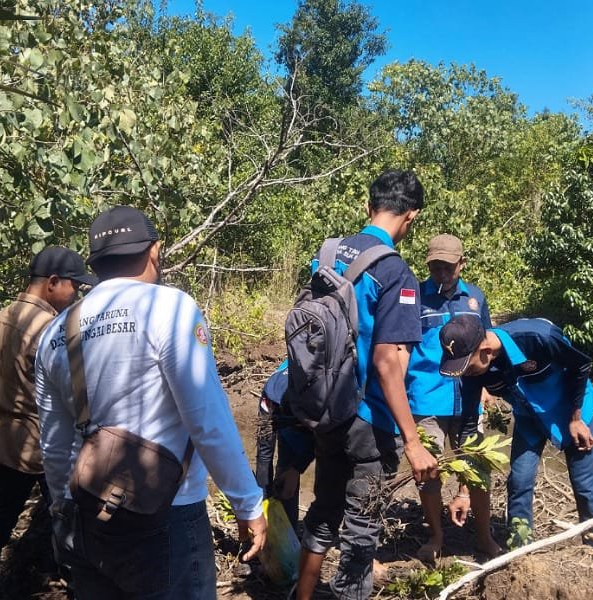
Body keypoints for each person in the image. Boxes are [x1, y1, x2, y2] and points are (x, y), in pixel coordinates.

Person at [35, 206, 266, 599]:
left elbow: (54, 447)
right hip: (163, 520)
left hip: (83, 517)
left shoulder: (56, 332)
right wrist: (247, 503)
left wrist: (66, 509)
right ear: (155, 251)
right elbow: (207, 421)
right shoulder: (170, 308)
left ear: (95, 263)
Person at [293, 170, 439, 600]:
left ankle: (301, 595)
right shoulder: (395, 273)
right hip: (366, 419)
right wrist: (412, 441)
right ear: (411, 217)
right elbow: (387, 361)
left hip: (323, 407)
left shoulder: (327, 254)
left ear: (367, 206)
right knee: (362, 524)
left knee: (323, 508)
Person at [0, 246, 97, 600]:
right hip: (42, 439)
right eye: (75, 286)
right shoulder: (52, 328)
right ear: (53, 283)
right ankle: (79, 587)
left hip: (3, 438)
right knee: (72, 519)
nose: (76, 295)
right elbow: (72, 392)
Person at [438, 314, 593, 544]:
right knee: (519, 479)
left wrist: (576, 418)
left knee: (585, 483)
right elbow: (469, 425)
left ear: (486, 351)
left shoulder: (538, 337)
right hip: (529, 415)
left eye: (467, 367)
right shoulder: (472, 372)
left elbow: (581, 364)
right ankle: (519, 546)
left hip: (571, 408)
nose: (465, 374)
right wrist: (465, 489)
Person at [405, 234, 501, 562]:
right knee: (427, 473)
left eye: (448, 266)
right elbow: (401, 348)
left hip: (469, 395)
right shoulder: (413, 297)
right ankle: (436, 536)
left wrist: (485, 386)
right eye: (435, 266)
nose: (441, 272)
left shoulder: (475, 298)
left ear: (462, 263)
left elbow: (486, 343)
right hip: (425, 396)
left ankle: (484, 537)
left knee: (477, 469)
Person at [254, 360, 314, 530]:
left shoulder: (322, 399)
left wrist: (296, 469)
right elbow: (264, 456)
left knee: (288, 467)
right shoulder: (270, 399)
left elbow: (322, 441)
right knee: (271, 463)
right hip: (279, 406)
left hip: (312, 410)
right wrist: (263, 504)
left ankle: (289, 529)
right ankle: (268, 524)